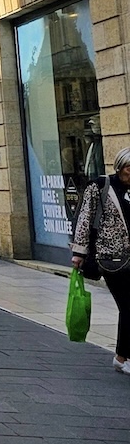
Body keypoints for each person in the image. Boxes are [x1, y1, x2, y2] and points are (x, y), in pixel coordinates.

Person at [72, 148, 130, 373]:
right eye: (128, 168)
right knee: (128, 306)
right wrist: (79, 252)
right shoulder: (100, 186)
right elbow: (85, 218)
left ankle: (123, 356)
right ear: (119, 166)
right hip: (110, 257)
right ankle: (122, 357)